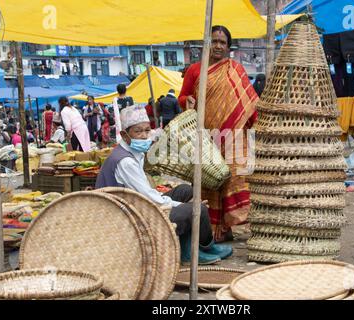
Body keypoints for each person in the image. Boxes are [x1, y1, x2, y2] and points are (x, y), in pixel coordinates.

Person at [95, 106, 232, 265]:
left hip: (138, 205)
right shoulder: (125, 161)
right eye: (138, 132)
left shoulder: (134, 153)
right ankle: (193, 253)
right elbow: (151, 200)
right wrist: (183, 206)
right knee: (196, 208)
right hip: (130, 218)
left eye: (147, 130)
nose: (145, 136)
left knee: (185, 190)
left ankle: (204, 247)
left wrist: (180, 203)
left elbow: (146, 194)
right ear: (124, 135)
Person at [178, 25, 259, 242]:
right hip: (206, 136)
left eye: (222, 42)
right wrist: (187, 101)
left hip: (234, 138)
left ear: (228, 47)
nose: (218, 46)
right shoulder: (195, 70)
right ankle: (211, 230)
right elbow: (183, 96)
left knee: (233, 178)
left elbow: (249, 102)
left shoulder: (236, 70)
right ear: (206, 44)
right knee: (209, 182)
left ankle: (228, 226)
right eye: (213, 41)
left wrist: (257, 126)